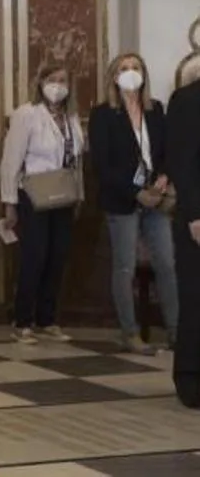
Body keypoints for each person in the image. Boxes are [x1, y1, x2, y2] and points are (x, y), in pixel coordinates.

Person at [89, 53, 176, 354]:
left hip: (157, 197)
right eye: (124, 69)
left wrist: (163, 177)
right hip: (122, 199)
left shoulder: (156, 110)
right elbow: (103, 164)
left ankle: (177, 332)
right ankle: (130, 332)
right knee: (124, 267)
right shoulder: (103, 114)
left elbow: (167, 151)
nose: (130, 73)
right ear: (114, 77)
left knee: (167, 263)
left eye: (136, 68)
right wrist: (135, 192)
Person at [0, 63, 85, 344]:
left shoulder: (70, 117)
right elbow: (11, 160)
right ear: (41, 82)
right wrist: (9, 202)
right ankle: (23, 320)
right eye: (52, 79)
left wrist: (79, 194)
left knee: (57, 257)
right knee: (34, 256)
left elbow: (77, 161)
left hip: (63, 192)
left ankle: (47, 318)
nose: (58, 85)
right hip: (34, 192)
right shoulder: (27, 114)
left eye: (63, 80)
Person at [168, 52, 200, 408]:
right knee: (196, 298)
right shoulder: (189, 100)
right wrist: (194, 214)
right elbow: (183, 162)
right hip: (197, 217)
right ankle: (190, 377)